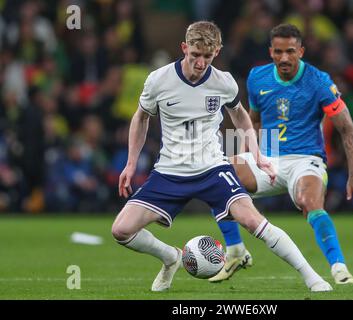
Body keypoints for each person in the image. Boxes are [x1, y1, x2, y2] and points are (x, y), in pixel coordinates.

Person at [111, 21, 332, 292]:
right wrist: (131, 163)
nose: (201, 62)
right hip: (170, 171)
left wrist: (258, 155)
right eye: (195, 55)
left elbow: (239, 115)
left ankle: (313, 278)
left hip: (213, 169)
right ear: (184, 48)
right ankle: (171, 257)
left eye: (207, 56)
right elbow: (141, 118)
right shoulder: (158, 80)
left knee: (253, 221)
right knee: (121, 230)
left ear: (217, 51)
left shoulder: (223, 82)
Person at [209, 24, 353, 284]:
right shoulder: (257, 77)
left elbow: (347, 129)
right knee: (218, 176)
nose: (284, 58)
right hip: (268, 159)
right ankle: (236, 251)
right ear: (271, 51)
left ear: (301, 51)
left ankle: (339, 267)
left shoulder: (319, 82)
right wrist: (246, 156)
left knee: (310, 203)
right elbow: (253, 121)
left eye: (291, 51)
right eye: (279, 51)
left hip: (305, 159)